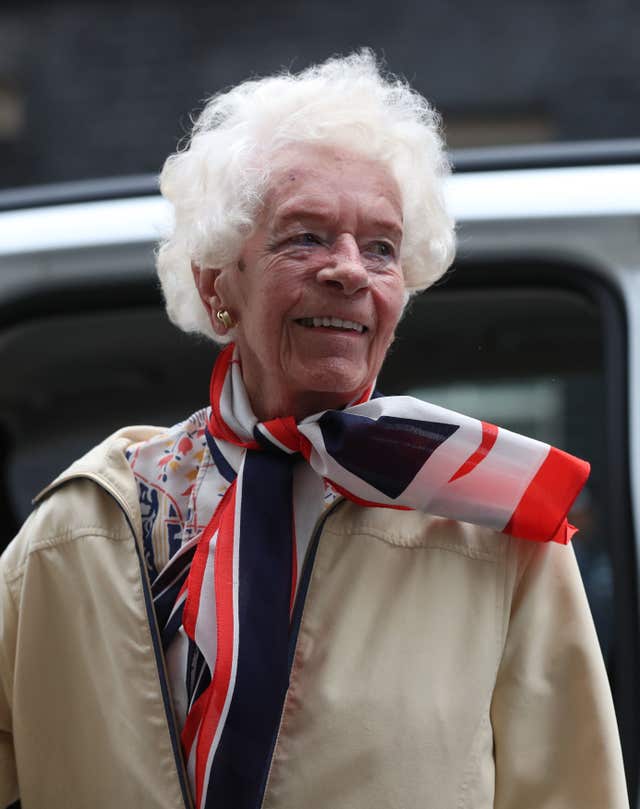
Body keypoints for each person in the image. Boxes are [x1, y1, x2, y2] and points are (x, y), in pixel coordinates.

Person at [0, 51, 629, 809]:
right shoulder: (82, 530)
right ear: (216, 283)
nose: (350, 270)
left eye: (382, 247)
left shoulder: (495, 527)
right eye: (304, 237)